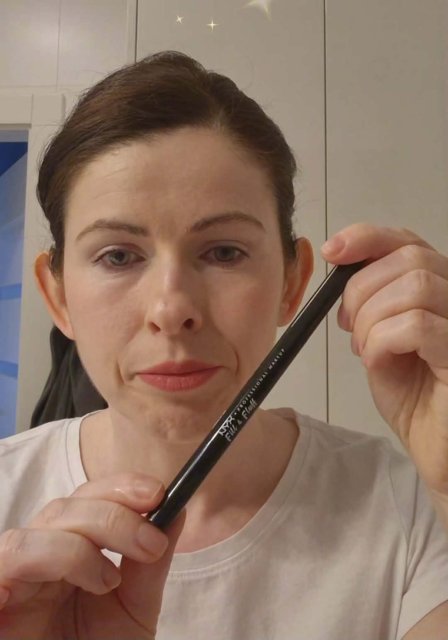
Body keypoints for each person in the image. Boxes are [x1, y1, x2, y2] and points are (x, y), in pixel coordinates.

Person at [0, 51, 447, 640]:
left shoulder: (409, 502)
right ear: (57, 298)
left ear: (292, 283)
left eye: (224, 252)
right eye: (118, 256)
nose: (171, 310)